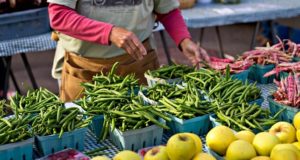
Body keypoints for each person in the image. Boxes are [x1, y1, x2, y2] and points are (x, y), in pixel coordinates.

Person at [48, 0, 210, 102]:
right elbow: (59, 16)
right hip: (86, 71)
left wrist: (183, 39)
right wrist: (109, 32)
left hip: (139, 66)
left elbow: (167, 9)